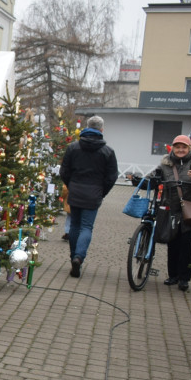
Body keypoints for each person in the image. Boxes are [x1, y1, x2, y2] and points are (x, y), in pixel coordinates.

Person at [150, 135, 191, 292]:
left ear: (189, 148)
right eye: (177, 147)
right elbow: (153, 176)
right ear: (172, 148)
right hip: (171, 208)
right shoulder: (166, 163)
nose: (180, 150)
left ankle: (184, 278)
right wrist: (146, 181)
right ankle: (172, 275)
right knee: (172, 242)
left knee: (186, 243)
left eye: (184, 147)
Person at [59, 116, 118, 277]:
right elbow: (112, 176)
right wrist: (102, 191)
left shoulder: (73, 148)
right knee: (86, 227)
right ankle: (79, 257)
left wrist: (71, 185)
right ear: (102, 130)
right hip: (94, 193)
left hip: (76, 191)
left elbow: (64, 171)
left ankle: (73, 257)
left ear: (87, 127)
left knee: (74, 226)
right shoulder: (108, 151)